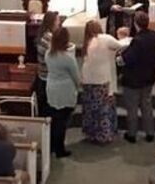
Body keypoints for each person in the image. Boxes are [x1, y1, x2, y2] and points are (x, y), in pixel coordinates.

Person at [118, 11, 155, 143]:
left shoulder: (137, 41)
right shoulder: (153, 36)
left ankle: (132, 134)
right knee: (147, 105)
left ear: (135, 24)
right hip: (149, 76)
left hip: (134, 79)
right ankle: (150, 133)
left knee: (133, 108)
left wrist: (120, 56)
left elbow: (128, 59)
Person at [81, 20, 122, 143]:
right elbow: (120, 45)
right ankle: (104, 134)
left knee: (90, 108)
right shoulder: (105, 38)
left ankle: (91, 133)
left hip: (88, 79)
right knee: (103, 108)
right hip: (101, 79)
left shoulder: (87, 42)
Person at [45, 27, 81, 158]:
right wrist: (78, 87)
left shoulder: (48, 53)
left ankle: (51, 146)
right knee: (62, 121)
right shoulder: (68, 58)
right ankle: (60, 149)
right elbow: (76, 77)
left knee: (54, 119)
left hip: (52, 88)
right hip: (64, 90)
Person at [36, 11, 60, 116]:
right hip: (47, 78)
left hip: (44, 76)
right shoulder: (48, 38)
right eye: (57, 21)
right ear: (52, 23)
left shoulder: (45, 35)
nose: (59, 23)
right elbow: (54, 58)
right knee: (48, 111)